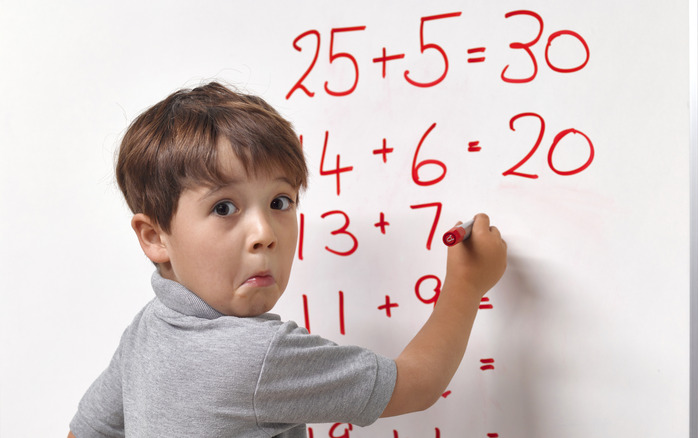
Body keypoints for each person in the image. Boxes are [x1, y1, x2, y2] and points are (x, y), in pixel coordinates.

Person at [68, 82, 507, 437]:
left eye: (280, 201)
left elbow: (87, 431)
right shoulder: (258, 357)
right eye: (224, 208)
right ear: (154, 236)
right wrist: (466, 285)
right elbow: (416, 385)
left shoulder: (148, 330)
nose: (264, 235)